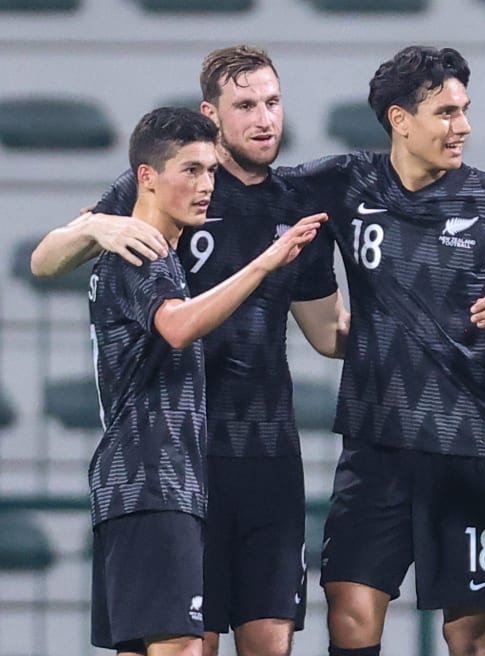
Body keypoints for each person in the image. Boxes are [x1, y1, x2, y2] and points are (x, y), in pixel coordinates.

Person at [32, 46, 348, 656]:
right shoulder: (170, 184)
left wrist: (432, 333)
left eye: (273, 102)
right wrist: (97, 226)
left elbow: (329, 333)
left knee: (266, 642)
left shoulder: (296, 208)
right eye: (247, 105)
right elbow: (46, 261)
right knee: (182, 643)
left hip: (268, 455)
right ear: (212, 113)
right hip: (181, 461)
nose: (264, 119)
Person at [280, 45, 485, 656]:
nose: (462, 127)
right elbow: (248, 187)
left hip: (472, 448)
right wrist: (114, 214)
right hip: (376, 444)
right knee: (350, 613)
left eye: (465, 110)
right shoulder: (344, 183)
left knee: (472, 637)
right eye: (445, 113)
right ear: (398, 119)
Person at [88, 106, 323, 656]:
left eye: (211, 171)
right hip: (151, 480)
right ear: (146, 177)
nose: (205, 186)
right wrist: (265, 264)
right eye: (190, 171)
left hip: (147, 486)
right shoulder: (142, 252)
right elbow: (177, 325)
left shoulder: (149, 251)